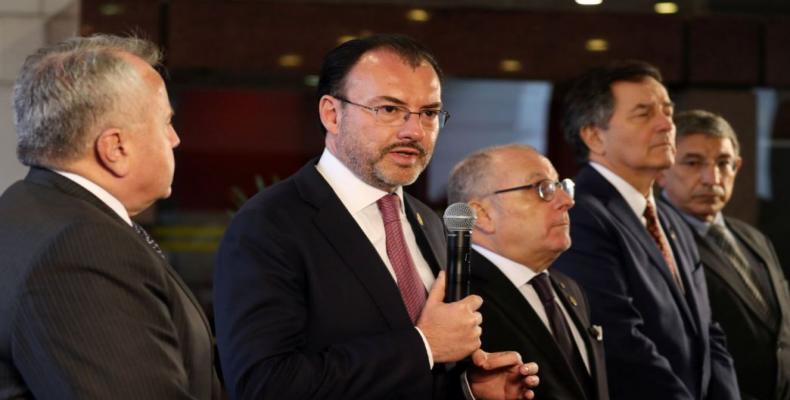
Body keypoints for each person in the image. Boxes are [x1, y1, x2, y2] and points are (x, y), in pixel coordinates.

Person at [213, 34, 539, 400]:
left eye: (429, 113)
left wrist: (468, 388)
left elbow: (430, 367)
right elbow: (264, 384)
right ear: (331, 114)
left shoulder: (427, 222)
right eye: (388, 109)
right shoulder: (268, 225)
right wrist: (423, 346)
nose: (413, 131)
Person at [0, 35, 221, 399]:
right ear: (115, 148)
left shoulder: (26, 208)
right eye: (165, 121)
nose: (175, 139)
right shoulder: (82, 249)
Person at [552, 61, 739, 400]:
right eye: (644, 113)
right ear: (594, 135)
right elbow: (619, 342)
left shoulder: (670, 218)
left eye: (667, 111)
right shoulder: (577, 215)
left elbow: (708, 331)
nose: (667, 124)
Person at [447, 144, 609, 400]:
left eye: (561, 186)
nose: (567, 201)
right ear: (482, 214)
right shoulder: (458, 297)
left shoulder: (568, 287)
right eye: (542, 189)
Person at [657, 109, 790, 400]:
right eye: (693, 163)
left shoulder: (754, 237)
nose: (711, 178)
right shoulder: (656, 241)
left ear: (738, 167)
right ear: (662, 170)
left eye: (723, 163)